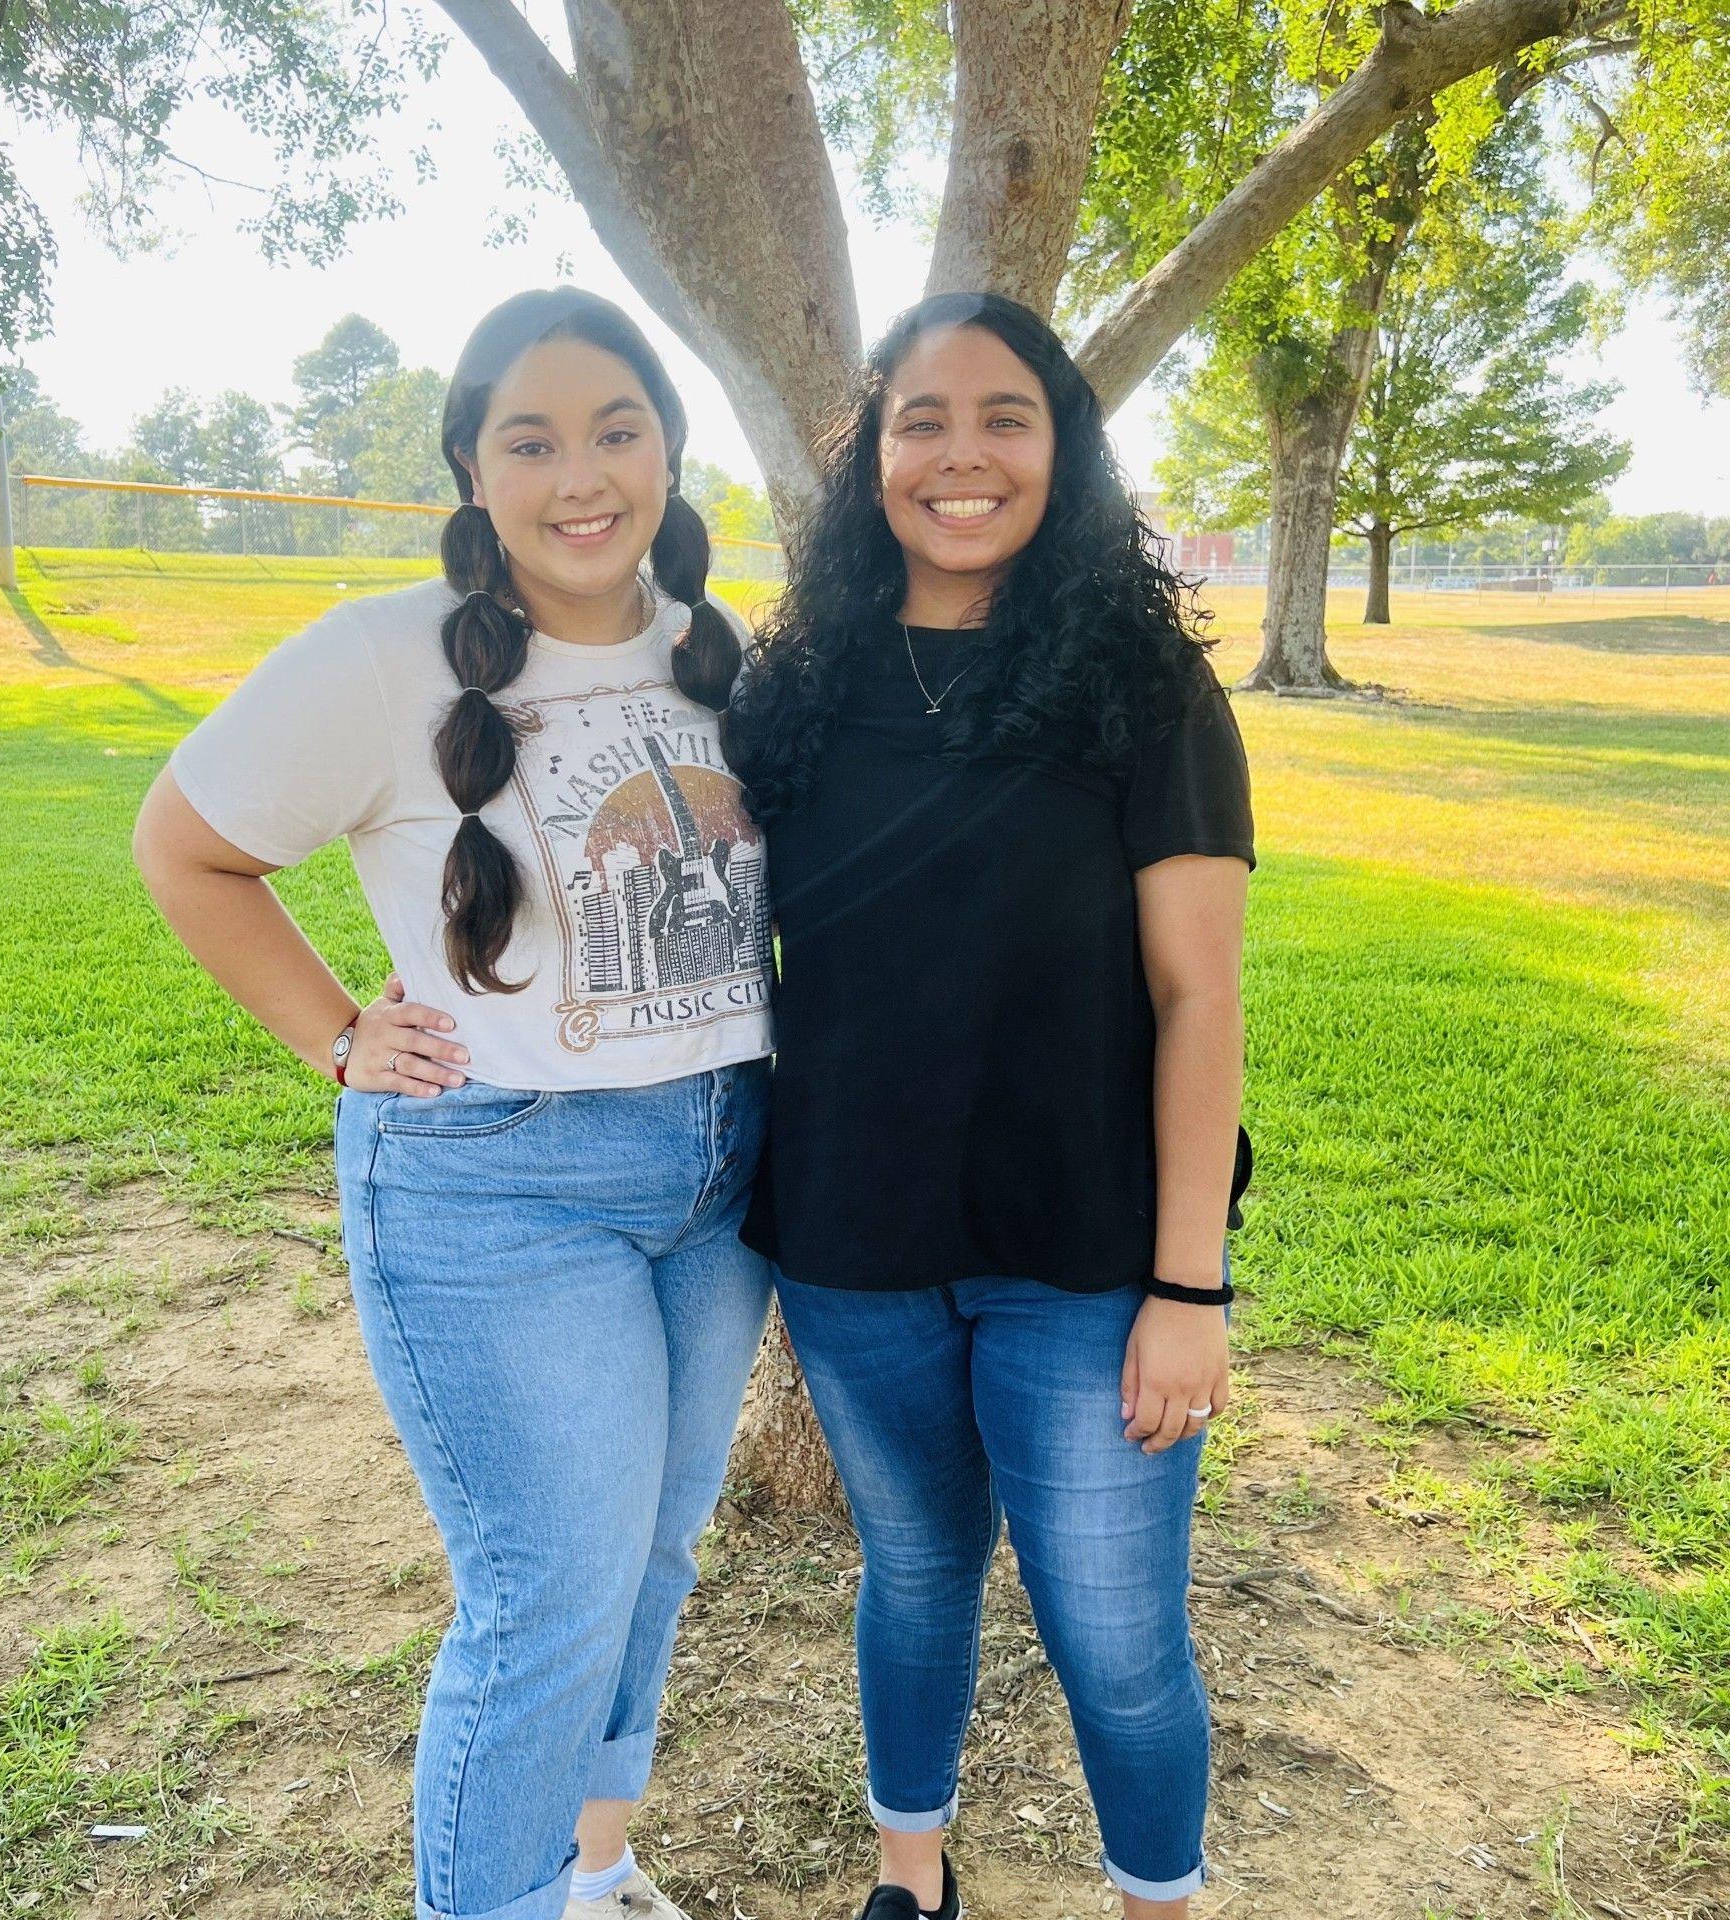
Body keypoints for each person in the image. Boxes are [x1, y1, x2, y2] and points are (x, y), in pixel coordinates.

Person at [133, 287, 774, 1920]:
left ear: (668, 447)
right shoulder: (379, 656)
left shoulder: (719, 652)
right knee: (547, 1598)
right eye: (531, 441)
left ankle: (597, 1873)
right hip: (500, 1184)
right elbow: (185, 848)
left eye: (616, 431)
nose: (582, 476)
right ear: (473, 472)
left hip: (725, 1168)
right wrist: (340, 1036)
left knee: (655, 1552)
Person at [721, 292, 1256, 1920]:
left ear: (1063, 448)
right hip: (853, 1245)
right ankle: (912, 1882)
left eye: (1005, 416)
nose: (962, 455)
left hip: (1087, 1258)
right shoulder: (797, 684)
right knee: (915, 1573)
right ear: (873, 457)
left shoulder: (1144, 687)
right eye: (923, 421)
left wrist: (1189, 1288)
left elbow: (1199, 998)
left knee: (1117, 1636)